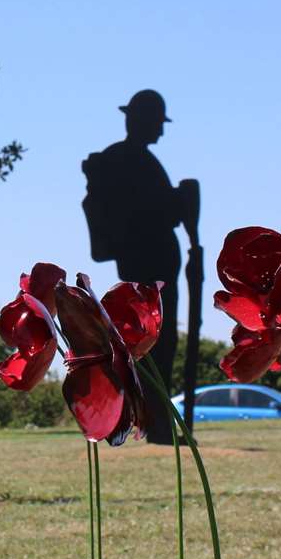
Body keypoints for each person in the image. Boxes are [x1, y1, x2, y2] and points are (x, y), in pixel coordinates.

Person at [82, 89, 194, 444]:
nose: (160, 132)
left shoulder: (138, 160)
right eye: (157, 123)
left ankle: (154, 422)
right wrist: (182, 201)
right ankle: (154, 424)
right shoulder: (129, 161)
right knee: (151, 347)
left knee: (156, 346)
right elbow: (150, 213)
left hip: (154, 263)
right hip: (149, 265)